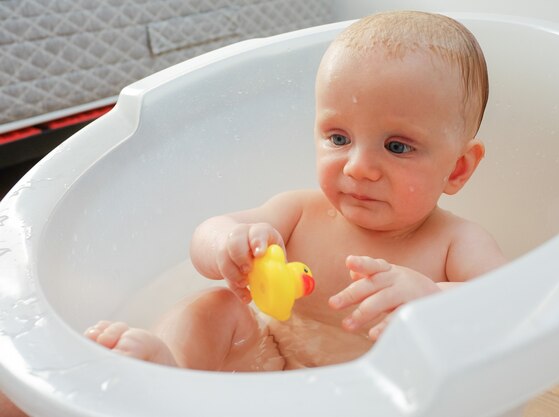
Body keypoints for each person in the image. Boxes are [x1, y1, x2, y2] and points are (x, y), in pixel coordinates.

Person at [85, 10, 506, 371]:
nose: (357, 167)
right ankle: (168, 368)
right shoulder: (301, 212)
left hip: (381, 390)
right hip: (267, 361)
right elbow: (206, 236)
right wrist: (227, 245)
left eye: (397, 146)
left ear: (458, 168)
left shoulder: (455, 243)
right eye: (339, 138)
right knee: (215, 307)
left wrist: (433, 297)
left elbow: (508, 304)